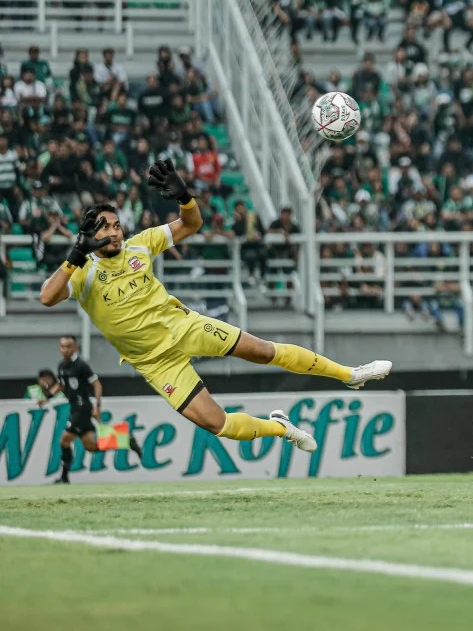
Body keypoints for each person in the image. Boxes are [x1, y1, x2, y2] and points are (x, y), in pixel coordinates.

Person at [38, 160, 391, 452]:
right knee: (216, 424)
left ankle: (350, 374)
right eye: (106, 228)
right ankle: (281, 428)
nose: (115, 232)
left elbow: (192, 224)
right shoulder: (82, 272)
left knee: (262, 351)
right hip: (155, 363)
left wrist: (185, 197)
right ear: (90, 233)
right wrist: (76, 253)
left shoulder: (140, 244)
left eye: (117, 225)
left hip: (184, 326)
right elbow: (47, 297)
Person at [37, 335, 143, 484]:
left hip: (82, 409)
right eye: (62, 346)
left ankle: (64, 477)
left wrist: (97, 406)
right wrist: (47, 398)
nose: (65, 349)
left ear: (76, 348)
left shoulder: (81, 365)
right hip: (74, 409)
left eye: (69, 346)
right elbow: (61, 385)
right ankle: (126, 440)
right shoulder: (62, 366)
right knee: (91, 446)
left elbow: (97, 384)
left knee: (64, 440)